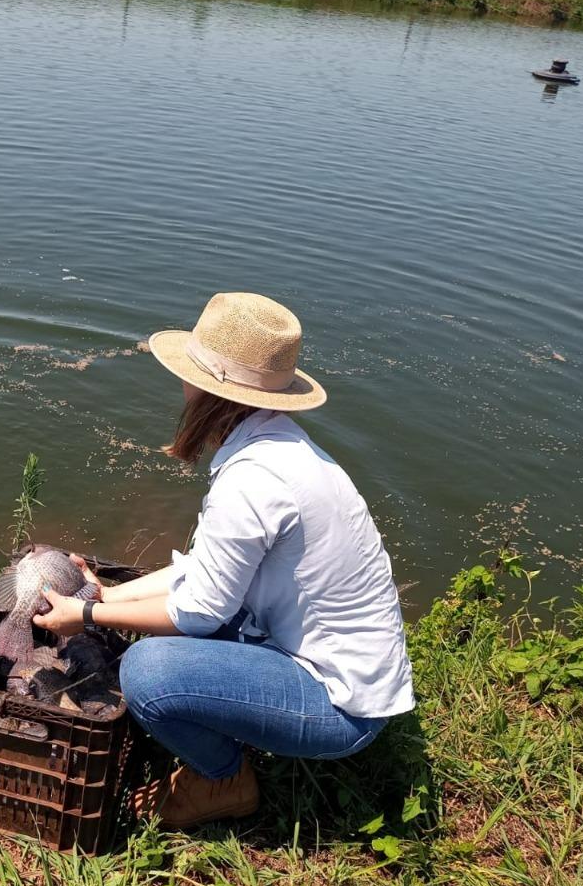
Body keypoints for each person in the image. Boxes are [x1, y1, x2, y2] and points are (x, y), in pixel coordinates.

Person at [34, 291, 414, 830]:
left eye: (188, 374)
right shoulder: (279, 446)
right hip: (335, 662)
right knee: (164, 633)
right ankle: (226, 729)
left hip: (341, 708)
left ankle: (224, 780)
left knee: (149, 671)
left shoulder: (254, 482)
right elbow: (205, 570)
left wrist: (87, 616)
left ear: (210, 389)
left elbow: (197, 614)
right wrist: (108, 593)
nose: (181, 386)